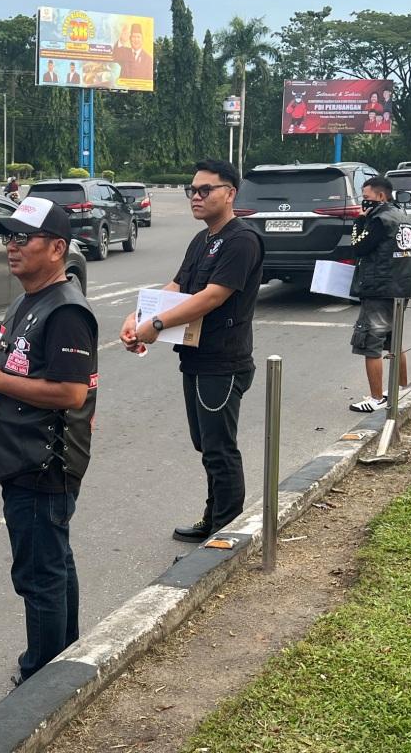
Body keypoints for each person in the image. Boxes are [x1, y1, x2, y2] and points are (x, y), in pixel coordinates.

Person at [0, 196, 98, 684]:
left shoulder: (66, 311)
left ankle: (44, 676)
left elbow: (70, 391)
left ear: (57, 248)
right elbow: (15, 370)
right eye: (7, 236)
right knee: (52, 562)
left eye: (22, 237)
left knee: (39, 574)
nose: (11, 247)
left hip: (45, 462)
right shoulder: (25, 301)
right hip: (19, 455)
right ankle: (65, 653)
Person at [121, 159, 263, 544]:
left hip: (224, 361)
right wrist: (137, 317)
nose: (196, 197)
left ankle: (226, 533)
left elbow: (212, 297)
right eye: (192, 191)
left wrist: (158, 325)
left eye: (205, 190)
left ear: (230, 193)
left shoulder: (241, 240)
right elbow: (178, 284)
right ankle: (214, 516)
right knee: (206, 444)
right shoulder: (203, 240)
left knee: (220, 448)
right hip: (196, 358)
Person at [347, 176, 411, 412]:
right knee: (394, 341)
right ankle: (400, 390)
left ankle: (376, 398)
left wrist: (359, 222)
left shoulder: (379, 220)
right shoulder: (404, 219)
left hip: (379, 290)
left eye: (367, 198)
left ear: (381, 196)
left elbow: (358, 247)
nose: (364, 203)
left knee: (370, 343)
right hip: (401, 289)